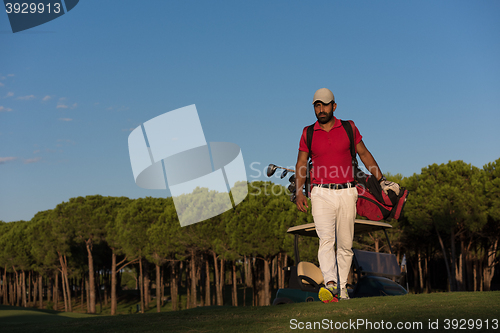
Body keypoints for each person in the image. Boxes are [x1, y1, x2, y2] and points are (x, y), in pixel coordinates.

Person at [294, 88, 398, 302]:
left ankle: (341, 290)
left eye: (325, 104)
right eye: (317, 105)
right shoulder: (308, 132)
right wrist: (299, 192)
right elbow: (301, 163)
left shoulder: (349, 127)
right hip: (321, 193)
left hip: (348, 192)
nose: (321, 109)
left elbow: (364, 153)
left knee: (345, 245)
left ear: (334, 106)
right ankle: (331, 283)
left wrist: (381, 180)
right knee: (326, 240)